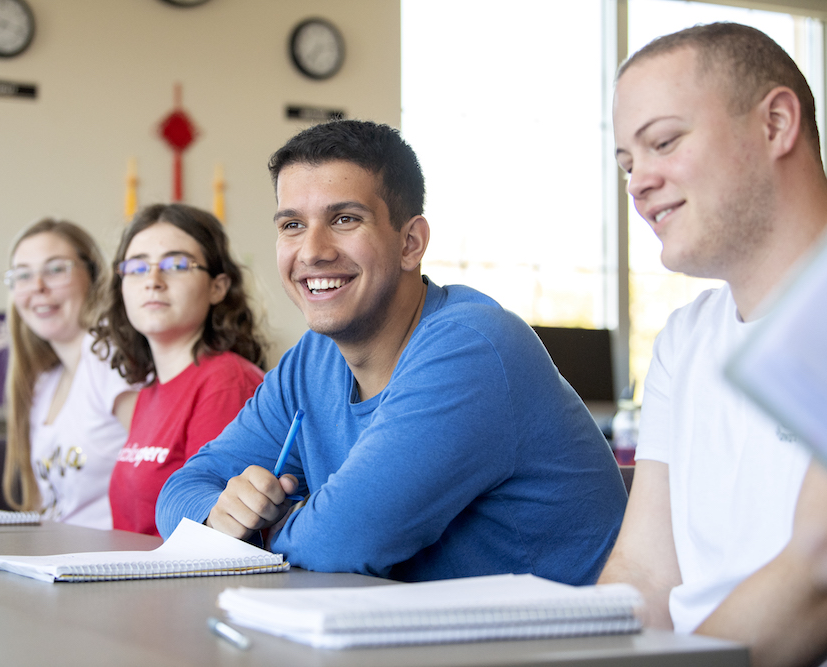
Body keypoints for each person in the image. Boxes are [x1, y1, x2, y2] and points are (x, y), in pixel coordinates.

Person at [157, 120, 627, 583]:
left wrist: (255, 535)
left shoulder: (472, 348)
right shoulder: (311, 360)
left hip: (552, 647)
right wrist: (218, 518)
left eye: (344, 219)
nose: (313, 251)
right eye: (293, 225)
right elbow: (180, 491)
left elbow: (343, 540)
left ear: (410, 242)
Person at [598, 23, 827, 667]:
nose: (637, 183)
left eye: (664, 142)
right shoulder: (686, 338)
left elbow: (823, 567)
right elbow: (645, 571)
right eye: (626, 163)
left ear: (777, 123)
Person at [95, 203, 266, 536]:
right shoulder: (149, 393)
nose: (154, 281)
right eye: (137, 267)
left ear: (217, 287)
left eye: (176, 264)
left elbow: (218, 536)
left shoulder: (226, 383)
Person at [3, 219, 138, 528]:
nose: (38, 286)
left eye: (55, 269)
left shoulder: (107, 354)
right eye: (23, 275)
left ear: (93, 277)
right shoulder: (45, 382)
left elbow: (158, 463)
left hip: (113, 563)